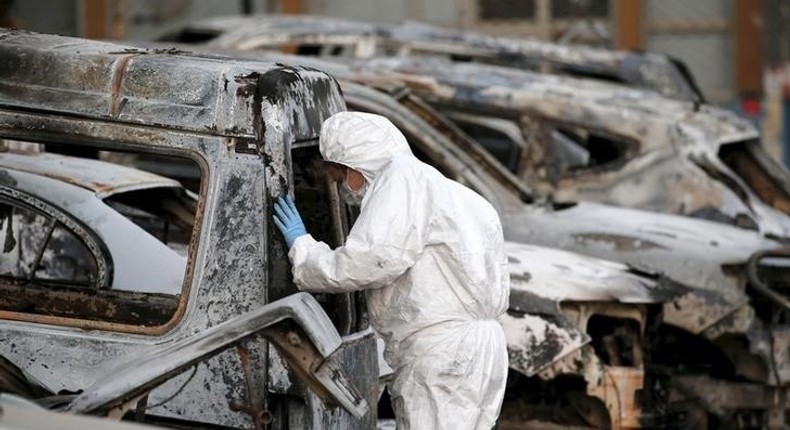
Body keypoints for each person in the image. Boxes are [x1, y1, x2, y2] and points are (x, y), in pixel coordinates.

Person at [273, 111, 509, 430]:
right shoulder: (446, 189)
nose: (345, 186)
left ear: (357, 163)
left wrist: (303, 247)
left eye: (342, 175)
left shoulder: (400, 184)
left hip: (442, 354)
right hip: (482, 349)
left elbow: (366, 263)